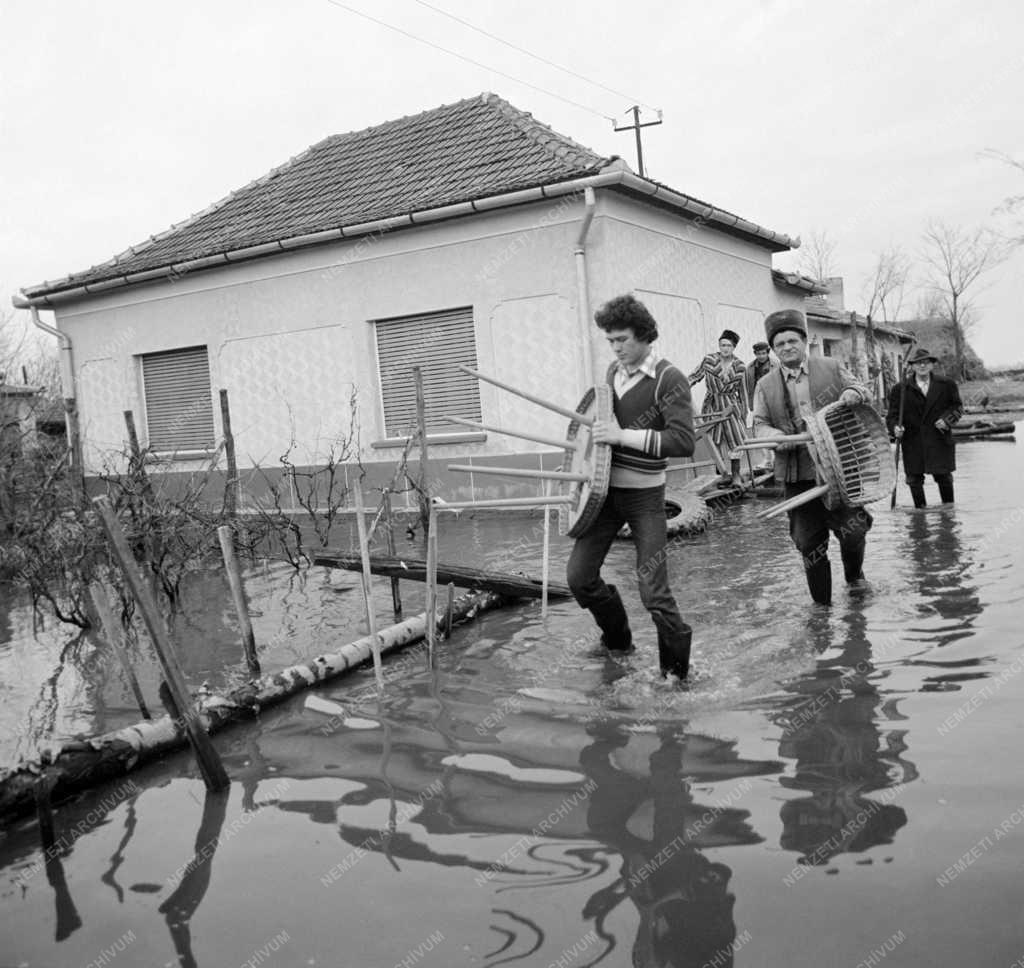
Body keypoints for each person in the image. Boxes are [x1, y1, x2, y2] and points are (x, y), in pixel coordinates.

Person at [566, 294, 696, 680]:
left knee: (653, 593)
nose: (616, 347)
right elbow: (598, 429)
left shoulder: (669, 379)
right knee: (579, 578)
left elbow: (682, 442)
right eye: (610, 340)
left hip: (645, 500)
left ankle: (675, 677)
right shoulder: (611, 374)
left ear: (643, 335)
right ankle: (619, 642)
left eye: (621, 339)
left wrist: (623, 436)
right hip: (604, 496)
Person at [752, 309, 872, 605]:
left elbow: (860, 388)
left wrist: (853, 394)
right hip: (798, 473)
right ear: (774, 350)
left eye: (792, 340)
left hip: (840, 467)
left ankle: (855, 579)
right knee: (809, 543)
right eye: (779, 344)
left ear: (804, 341)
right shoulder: (765, 385)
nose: (787, 347)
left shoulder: (830, 367)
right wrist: (772, 438)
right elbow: (759, 424)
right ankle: (822, 607)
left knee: (853, 530)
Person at [885, 347, 962, 507]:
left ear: (932, 365)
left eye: (926, 363)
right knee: (914, 479)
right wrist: (895, 428)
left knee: (944, 477)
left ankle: (949, 513)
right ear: (912, 366)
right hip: (913, 442)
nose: (922, 366)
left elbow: (957, 408)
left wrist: (947, 420)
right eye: (918, 363)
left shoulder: (946, 384)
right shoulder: (901, 389)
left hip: (939, 439)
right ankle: (920, 515)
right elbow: (892, 416)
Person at [688, 330, 747, 482]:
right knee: (715, 439)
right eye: (722, 345)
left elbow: (743, 391)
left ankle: (735, 475)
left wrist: (743, 411)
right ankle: (720, 475)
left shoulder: (740, 366)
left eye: (728, 345)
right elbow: (695, 376)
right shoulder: (709, 360)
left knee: (735, 436)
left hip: (730, 404)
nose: (725, 348)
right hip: (712, 404)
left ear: (734, 347)